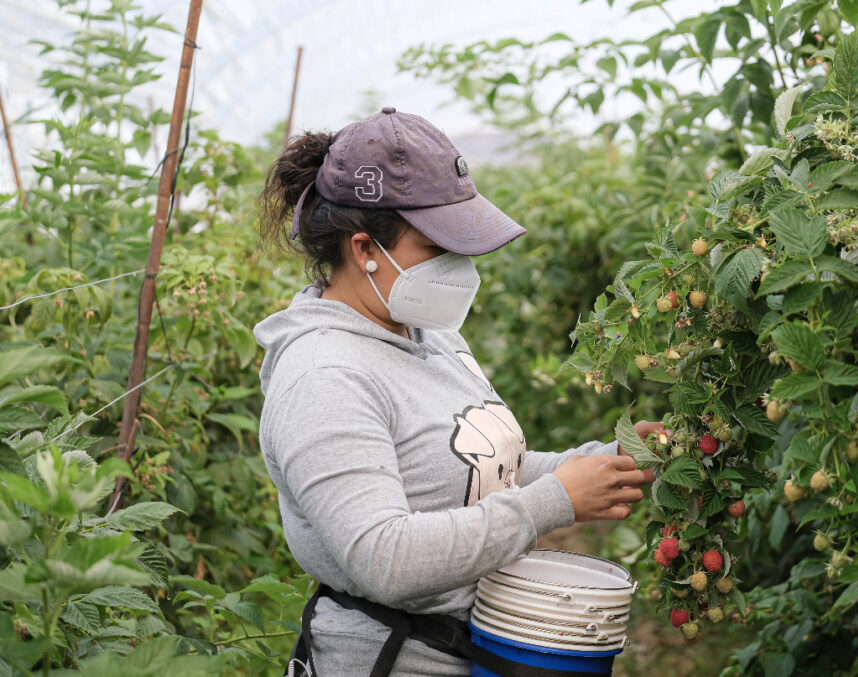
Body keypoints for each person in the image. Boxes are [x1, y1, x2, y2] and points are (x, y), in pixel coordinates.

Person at [253, 107, 658, 676]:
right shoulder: (324, 376)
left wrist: (598, 465)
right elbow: (382, 556)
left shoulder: (432, 334)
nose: (460, 269)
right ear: (365, 248)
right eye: (436, 249)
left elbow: (474, 473)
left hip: (476, 652)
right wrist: (554, 502)